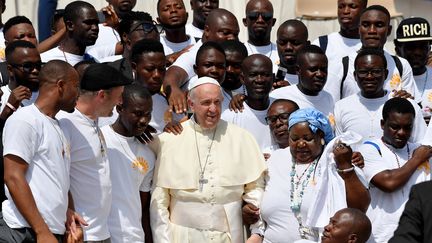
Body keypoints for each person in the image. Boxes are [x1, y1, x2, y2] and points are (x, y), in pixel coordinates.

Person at [150, 77, 267, 243]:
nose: (213, 109)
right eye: (206, 103)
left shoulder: (242, 138)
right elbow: (159, 203)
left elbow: (255, 189)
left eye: (217, 102)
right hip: (182, 237)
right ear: (191, 104)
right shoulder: (170, 140)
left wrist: (257, 232)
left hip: (231, 235)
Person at [247, 108, 369, 243]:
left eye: (308, 138)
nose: (300, 144)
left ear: (321, 137)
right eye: (294, 138)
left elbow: (359, 209)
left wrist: (346, 167)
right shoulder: (274, 160)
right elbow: (255, 196)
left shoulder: (336, 161)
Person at [0, 60, 85, 242]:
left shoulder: (60, 127)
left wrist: (67, 214)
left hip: (48, 231)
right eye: (76, 86)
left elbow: (58, 180)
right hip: (22, 231)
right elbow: (13, 176)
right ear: (60, 86)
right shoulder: (25, 119)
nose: (78, 93)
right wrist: (41, 231)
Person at [58, 63, 132, 242]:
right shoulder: (66, 124)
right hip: (80, 233)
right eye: (119, 96)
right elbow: (58, 178)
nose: (120, 102)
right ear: (101, 95)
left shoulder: (95, 121)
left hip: (102, 231)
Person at [358, 97, 432, 243]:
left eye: (408, 127)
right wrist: (416, 160)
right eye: (395, 127)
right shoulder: (370, 149)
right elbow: (389, 183)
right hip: (381, 236)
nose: (401, 133)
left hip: (417, 235)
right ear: (382, 124)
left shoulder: (421, 150)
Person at [334, 48, 427, 145]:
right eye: (363, 72)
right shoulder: (341, 107)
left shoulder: (406, 105)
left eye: (376, 71)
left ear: (386, 74)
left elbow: (423, 145)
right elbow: (339, 147)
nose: (369, 77)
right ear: (355, 75)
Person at [102, 84, 154, 243]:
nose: (144, 120)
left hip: (134, 237)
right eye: (137, 114)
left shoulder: (148, 153)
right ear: (120, 108)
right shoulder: (101, 139)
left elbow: (143, 205)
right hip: (103, 235)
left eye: (148, 114)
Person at [163, 8, 239, 114]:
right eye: (226, 33)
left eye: (235, 34)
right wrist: (174, 89)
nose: (232, 38)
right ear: (207, 31)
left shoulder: (233, 54)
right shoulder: (193, 54)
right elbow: (172, 76)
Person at [340, 5, 420, 103]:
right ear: (359, 29)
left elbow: (413, 108)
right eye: (366, 25)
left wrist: (407, 101)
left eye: (379, 25)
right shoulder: (343, 65)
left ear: (389, 30)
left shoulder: (401, 65)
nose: (372, 31)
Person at [221, 54, 274, 152]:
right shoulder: (230, 117)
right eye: (253, 75)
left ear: (273, 77)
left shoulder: (284, 109)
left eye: (265, 75)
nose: (259, 80)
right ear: (242, 79)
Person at [270, 44, 335, 118]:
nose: (320, 74)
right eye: (313, 69)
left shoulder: (328, 98)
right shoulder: (279, 97)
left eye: (323, 70)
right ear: (298, 70)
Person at [394, 17, 432, 124]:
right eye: (410, 47)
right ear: (397, 49)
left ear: (429, 48)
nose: (417, 53)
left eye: (423, 47)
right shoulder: (386, 80)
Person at [41, 1, 99, 66]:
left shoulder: (94, 62)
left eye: (96, 23)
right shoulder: (46, 61)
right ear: (70, 25)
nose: (95, 28)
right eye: (88, 22)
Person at [107, 11, 161, 78]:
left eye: (154, 44)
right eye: (144, 43)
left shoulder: (167, 71)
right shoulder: (108, 69)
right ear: (125, 37)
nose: (150, 50)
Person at [243, 0, 278, 72]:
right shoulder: (239, 53)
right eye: (253, 16)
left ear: (273, 22)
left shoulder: (282, 54)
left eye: (266, 16)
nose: (260, 20)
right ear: (245, 21)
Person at [274, 19, 310, 87]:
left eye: (295, 43)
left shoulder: (314, 79)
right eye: (282, 43)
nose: (288, 47)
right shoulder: (266, 76)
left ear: (307, 45)